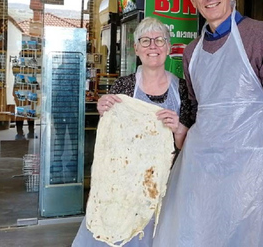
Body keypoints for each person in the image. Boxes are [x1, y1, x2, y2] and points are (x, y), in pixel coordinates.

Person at [153, 0, 263, 247]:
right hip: (200, 174)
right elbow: (199, 115)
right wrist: (179, 131)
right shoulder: (191, 53)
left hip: (254, 181)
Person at [72, 17, 195, 247]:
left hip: (167, 187)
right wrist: (104, 111)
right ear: (136, 48)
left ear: (168, 48)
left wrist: (178, 128)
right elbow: (112, 143)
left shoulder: (183, 89)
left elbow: (191, 144)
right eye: (145, 40)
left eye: (159, 40)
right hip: (125, 189)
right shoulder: (123, 87)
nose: (153, 46)